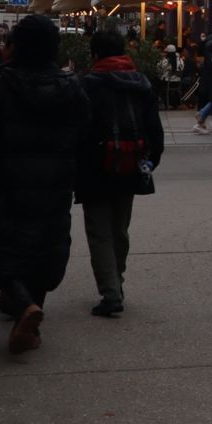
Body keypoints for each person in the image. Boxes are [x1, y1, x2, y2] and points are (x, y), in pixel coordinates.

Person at [0, 14, 93, 354]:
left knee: (0, 243)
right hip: (56, 180)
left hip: (7, 178)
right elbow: (85, 130)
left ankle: (23, 305)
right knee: (44, 243)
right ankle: (30, 311)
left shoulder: (0, 85)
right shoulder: (71, 87)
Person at [77, 27, 164, 317]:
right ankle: (118, 280)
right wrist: (151, 160)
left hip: (95, 166)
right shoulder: (140, 82)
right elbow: (154, 128)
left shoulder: (88, 84)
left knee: (99, 230)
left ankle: (111, 291)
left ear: (95, 54)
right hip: (131, 163)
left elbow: (78, 128)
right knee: (120, 228)